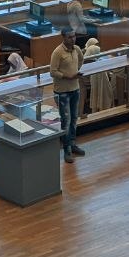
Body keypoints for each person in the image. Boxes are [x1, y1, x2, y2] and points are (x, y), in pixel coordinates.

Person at [49, 28, 85, 163]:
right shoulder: (57, 52)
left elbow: (81, 60)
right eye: (70, 37)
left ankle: (73, 144)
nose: (73, 39)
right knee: (66, 121)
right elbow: (52, 71)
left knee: (74, 119)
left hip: (75, 89)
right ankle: (67, 150)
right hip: (62, 92)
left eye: (74, 36)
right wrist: (67, 76)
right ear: (63, 37)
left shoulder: (77, 50)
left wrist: (75, 72)